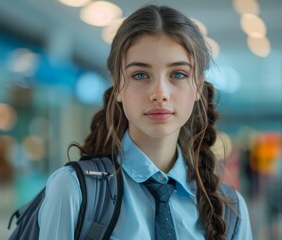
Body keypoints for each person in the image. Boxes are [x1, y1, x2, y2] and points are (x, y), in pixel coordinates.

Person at [38, 5, 253, 240]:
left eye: (178, 74)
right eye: (140, 75)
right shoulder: (73, 190)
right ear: (117, 86)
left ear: (198, 87)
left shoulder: (231, 211)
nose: (159, 93)